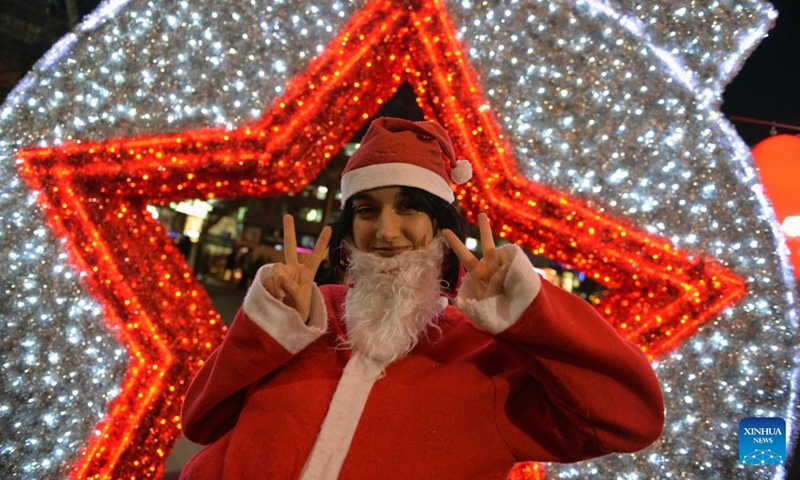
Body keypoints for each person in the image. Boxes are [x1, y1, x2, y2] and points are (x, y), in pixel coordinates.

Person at [179, 117, 665, 479]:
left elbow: (631, 420)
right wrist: (266, 326)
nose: (386, 231)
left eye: (409, 207)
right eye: (368, 210)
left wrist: (530, 313)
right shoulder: (305, 317)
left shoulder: (485, 356)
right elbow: (201, 420)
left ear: (440, 223)